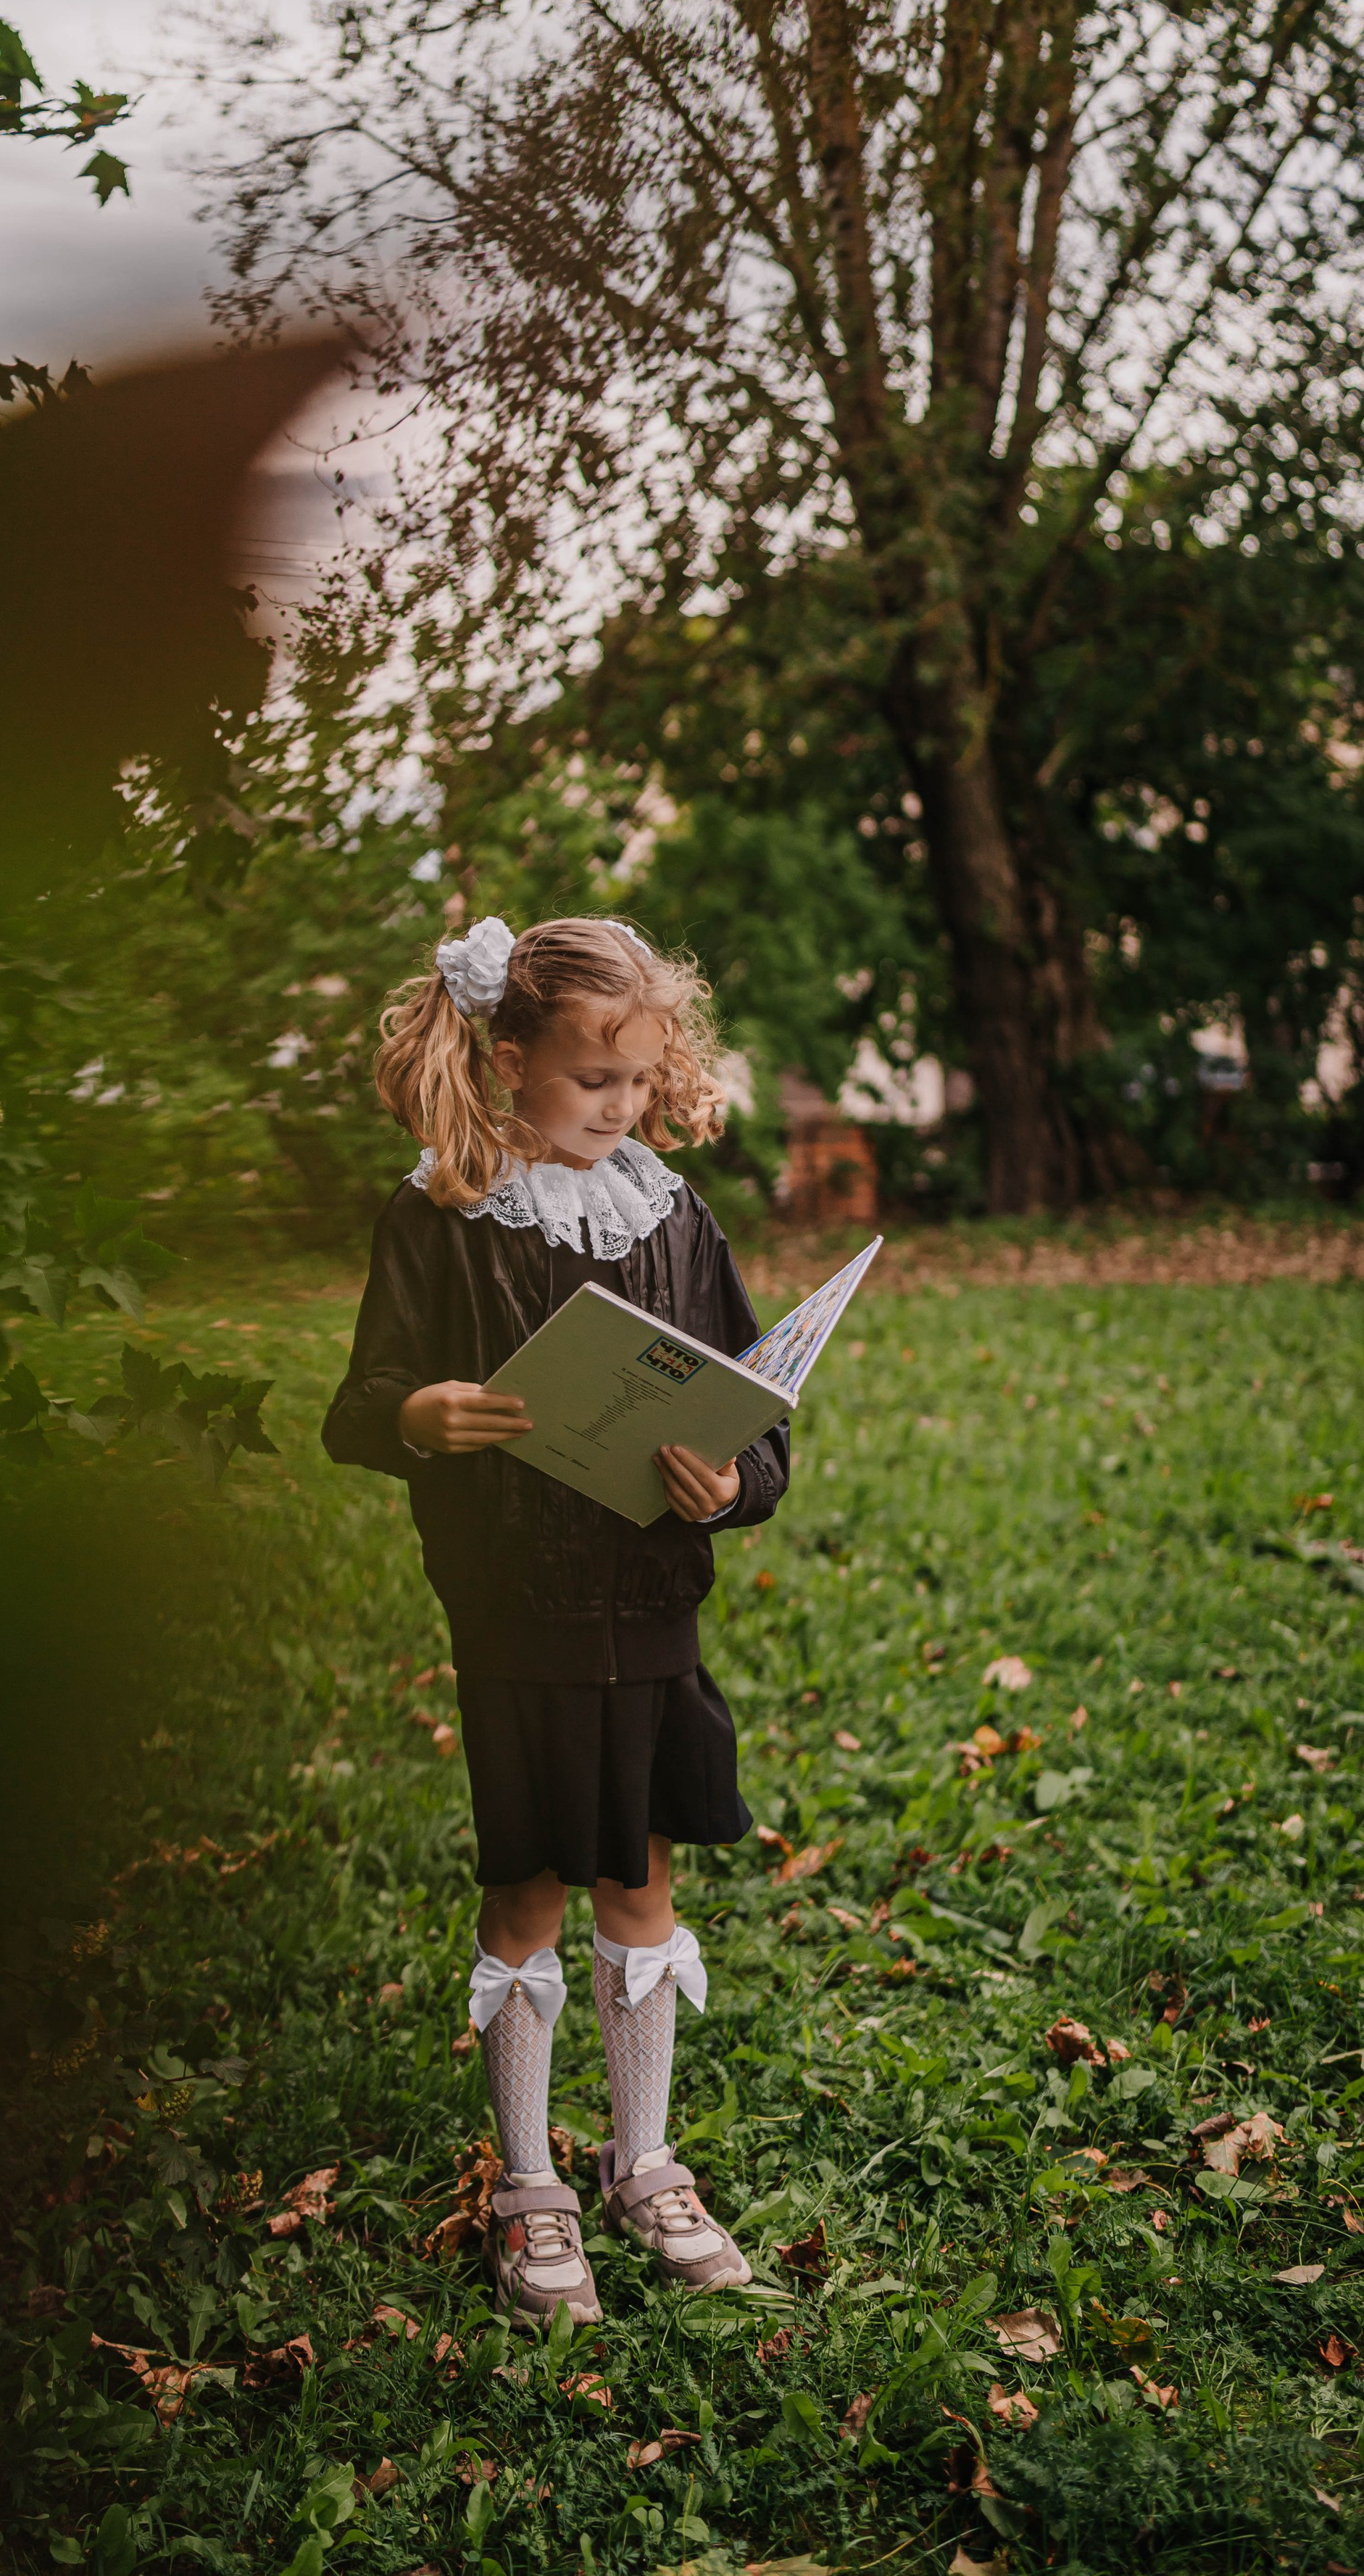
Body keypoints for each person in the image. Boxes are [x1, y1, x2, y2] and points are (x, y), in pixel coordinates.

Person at [323, 914, 791, 2327]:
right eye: (595, 1082)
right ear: (508, 1059)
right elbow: (358, 1409)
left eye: (640, 1082)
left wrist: (723, 1486)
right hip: (515, 1617)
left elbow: (756, 1432)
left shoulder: (675, 1215)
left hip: (649, 1613)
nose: (621, 1108)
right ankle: (532, 2184)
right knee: (529, 1890)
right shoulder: (438, 1218)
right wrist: (422, 1412)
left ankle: (642, 2160)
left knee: (640, 1887)